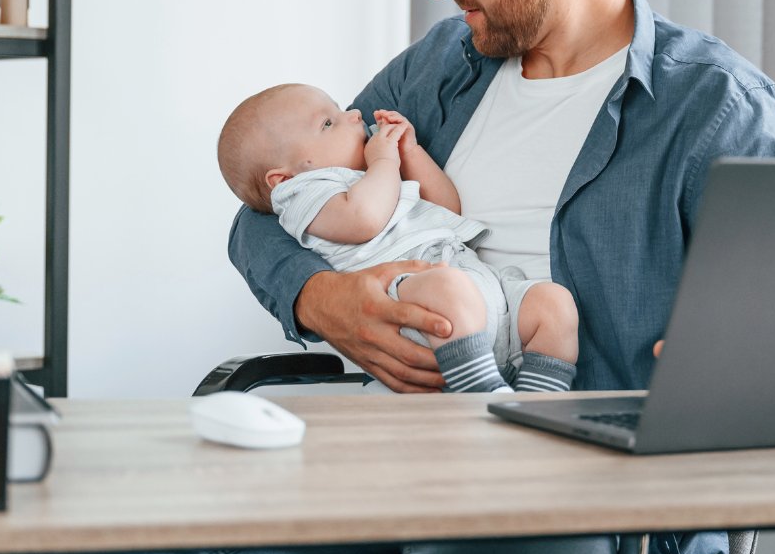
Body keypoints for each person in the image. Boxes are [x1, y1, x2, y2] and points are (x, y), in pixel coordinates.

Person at [36, 0, 775, 554]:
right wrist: (319, 299)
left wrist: (734, 366)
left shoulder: (715, 110)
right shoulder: (443, 65)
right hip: (394, 448)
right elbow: (266, 208)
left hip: (581, 488)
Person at [218, 83, 581, 394]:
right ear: (283, 179)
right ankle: (478, 395)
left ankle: (538, 402)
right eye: (329, 123)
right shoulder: (305, 194)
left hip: (485, 298)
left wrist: (410, 152)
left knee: (553, 303)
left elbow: (448, 208)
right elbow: (363, 219)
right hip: (417, 305)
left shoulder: (373, 177)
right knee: (448, 288)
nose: (355, 115)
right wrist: (385, 163)